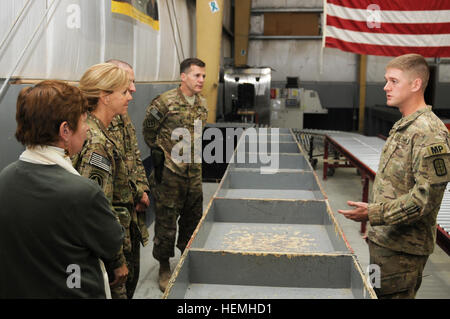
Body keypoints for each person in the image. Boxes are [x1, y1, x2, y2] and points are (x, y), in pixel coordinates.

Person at [338, 53, 450, 299]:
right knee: (376, 293)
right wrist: (378, 231)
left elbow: (423, 201)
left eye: (393, 81)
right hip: (385, 243)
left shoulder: (429, 133)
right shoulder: (405, 126)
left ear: (416, 84)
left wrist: (373, 214)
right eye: (386, 80)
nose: (386, 87)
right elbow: (395, 186)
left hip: (403, 252)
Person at [0, 80, 124, 298]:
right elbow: (112, 242)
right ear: (65, 130)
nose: (87, 128)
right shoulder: (83, 192)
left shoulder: (5, 177)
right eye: (84, 121)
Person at [143, 57, 208, 292]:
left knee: (193, 219)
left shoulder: (202, 103)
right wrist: (163, 152)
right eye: (196, 75)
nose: (201, 80)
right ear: (183, 77)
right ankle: (163, 267)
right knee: (166, 222)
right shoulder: (165, 102)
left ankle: (186, 259)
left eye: (203, 76)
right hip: (170, 175)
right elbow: (149, 130)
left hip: (194, 174)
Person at [73, 63, 134, 299]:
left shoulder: (97, 130)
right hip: (104, 251)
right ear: (104, 97)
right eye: (123, 92)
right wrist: (116, 259)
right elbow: (98, 208)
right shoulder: (97, 143)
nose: (130, 96)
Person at [105, 59, 150, 299]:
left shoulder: (123, 116)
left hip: (130, 212)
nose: (133, 89)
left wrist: (142, 190)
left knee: (131, 276)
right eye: (128, 82)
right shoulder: (94, 126)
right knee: (115, 284)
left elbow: (135, 156)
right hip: (112, 217)